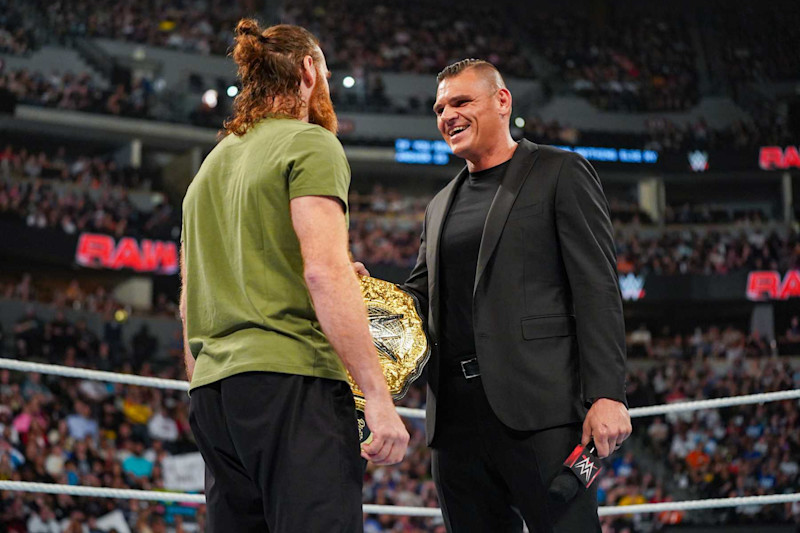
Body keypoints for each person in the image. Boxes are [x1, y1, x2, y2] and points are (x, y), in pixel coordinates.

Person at [180, 19, 409, 532]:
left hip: (215, 395)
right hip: (292, 380)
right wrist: (376, 395)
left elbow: (190, 292)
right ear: (308, 70)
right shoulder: (311, 144)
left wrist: (203, 382)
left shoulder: (210, 166)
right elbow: (324, 274)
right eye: (325, 71)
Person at [402, 59, 631, 532]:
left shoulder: (559, 172)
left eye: (462, 101)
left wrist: (607, 394)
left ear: (502, 101)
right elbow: (420, 298)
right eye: (440, 107)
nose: (447, 115)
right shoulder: (439, 203)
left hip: (541, 414)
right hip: (456, 425)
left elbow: (597, 288)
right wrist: (365, 291)